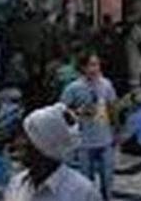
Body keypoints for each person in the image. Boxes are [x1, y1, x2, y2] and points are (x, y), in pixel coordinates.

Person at [4, 103, 101, 201]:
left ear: (42, 146)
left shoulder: (82, 192)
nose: (17, 143)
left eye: (26, 137)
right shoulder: (17, 185)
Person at [60, 53, 118, 200]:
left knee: (107, 178)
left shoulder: (106, 84)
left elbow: (112, 107)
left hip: (104, 139)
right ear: (83, 67)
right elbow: (61, 111)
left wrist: (115, 130)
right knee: (86, 180)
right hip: (84, 141)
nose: (95, 69)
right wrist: (78, 112)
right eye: (91, 65)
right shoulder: (73, 88)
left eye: (97, 65)